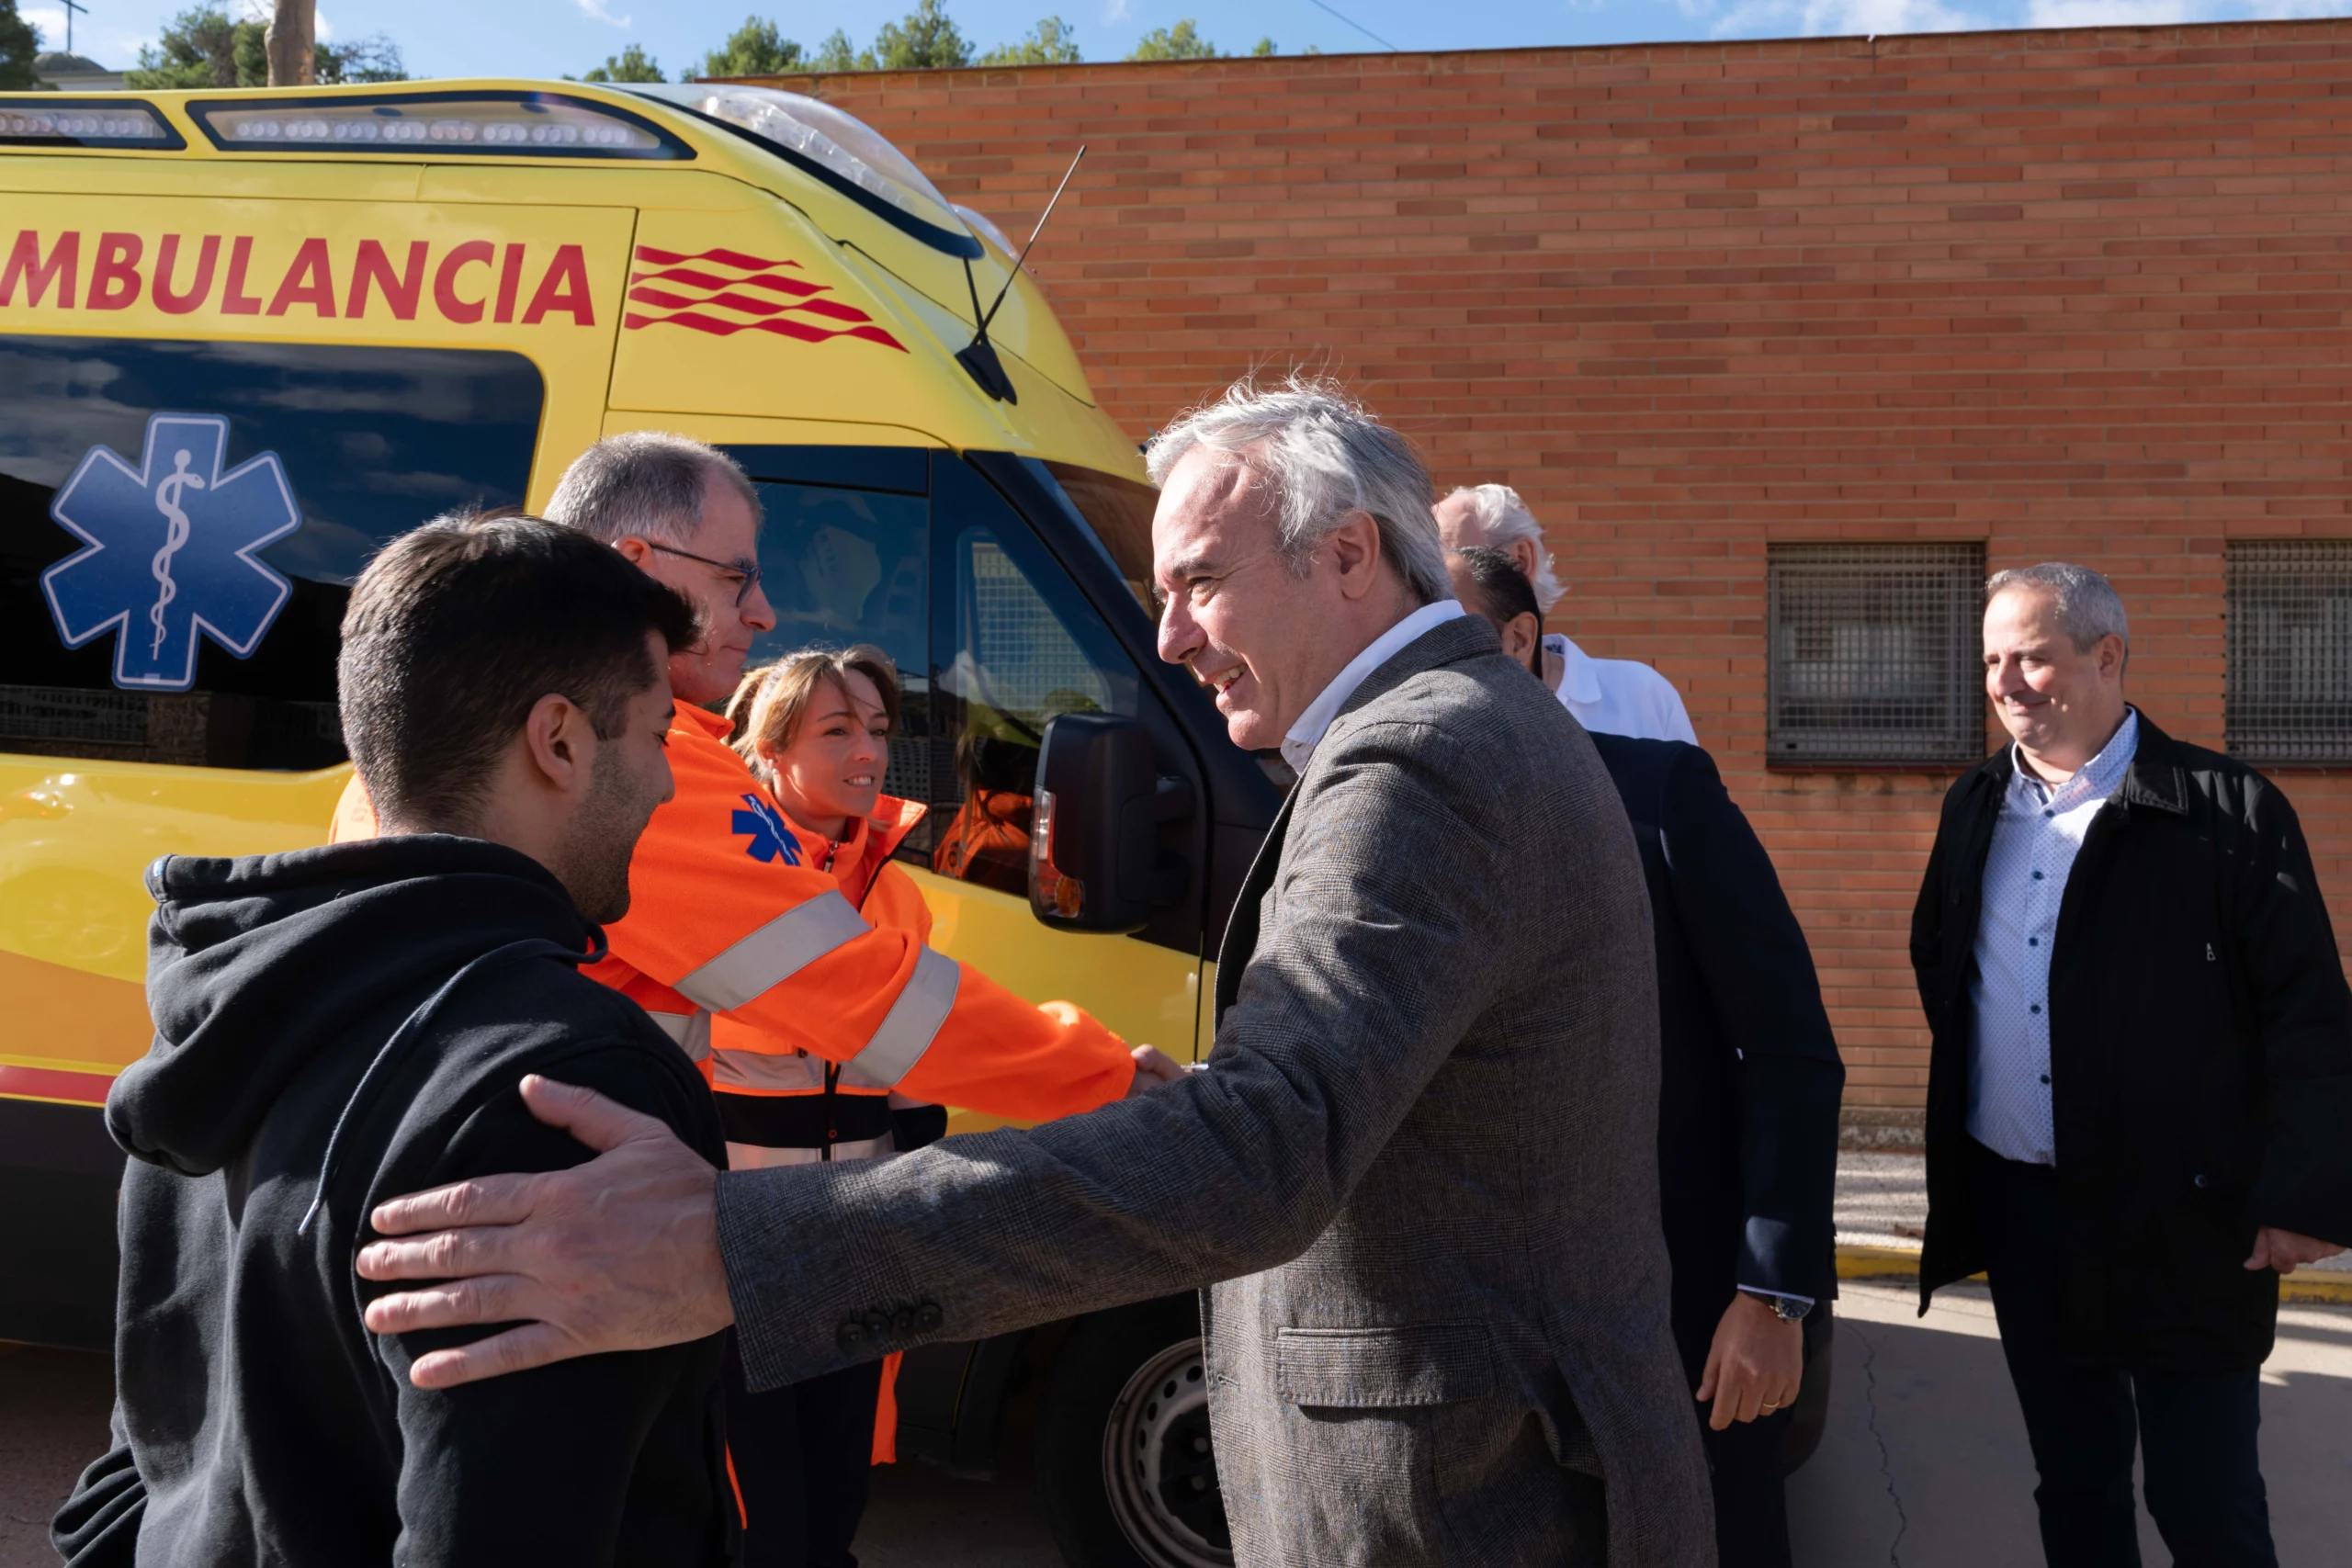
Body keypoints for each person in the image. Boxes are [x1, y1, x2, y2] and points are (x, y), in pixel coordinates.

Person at [354, 378, 1715, 1566]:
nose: (1172, 636)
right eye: (1164, 596)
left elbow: (1258, 1151)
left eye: (1194, 582)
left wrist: (734, 1247)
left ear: (1350, 554)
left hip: (1469, 1497)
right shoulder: (1469, 730)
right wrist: (1125, 1081)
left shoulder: (1422, 755)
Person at [51, 515, 733, 1567]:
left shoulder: (223, 1015)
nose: (668, 781)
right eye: (655, 733)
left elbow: (139, 1470)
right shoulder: (571, 1084)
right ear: (557, 740)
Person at [328, 433, 1169, 1131]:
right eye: (737, 577)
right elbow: (851, 987)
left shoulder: (468, 718)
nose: (765, 613)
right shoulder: (626, 760)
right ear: (636, 567)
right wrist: (1108, 1077)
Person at [1910, 562, 2352, 1566]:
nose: (2005, 682)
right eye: (1990, 660)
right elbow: (1943, 960)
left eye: (2030, 655)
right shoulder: (1974, 804)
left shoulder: (2225, 810)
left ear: (2107, 655)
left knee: (2203, 1505)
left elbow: (2309, 1014)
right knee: (2075, 1486)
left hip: (2187, 1220)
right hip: (2029, 1211)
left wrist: (2305, 1194)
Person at [1452, 545, 1845, 1568]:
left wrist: (1772, 1296)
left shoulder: (1659, 795)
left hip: (1688, 1319)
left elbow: (1792, 1049)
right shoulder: (1399, 824)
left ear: (1514, 640)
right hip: (1493, 1341)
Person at [1433, 481, 1697, 742]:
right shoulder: (1426, 713)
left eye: (1445, 564)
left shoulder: (1642, 696)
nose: (1428, 595)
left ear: (1521, 560)